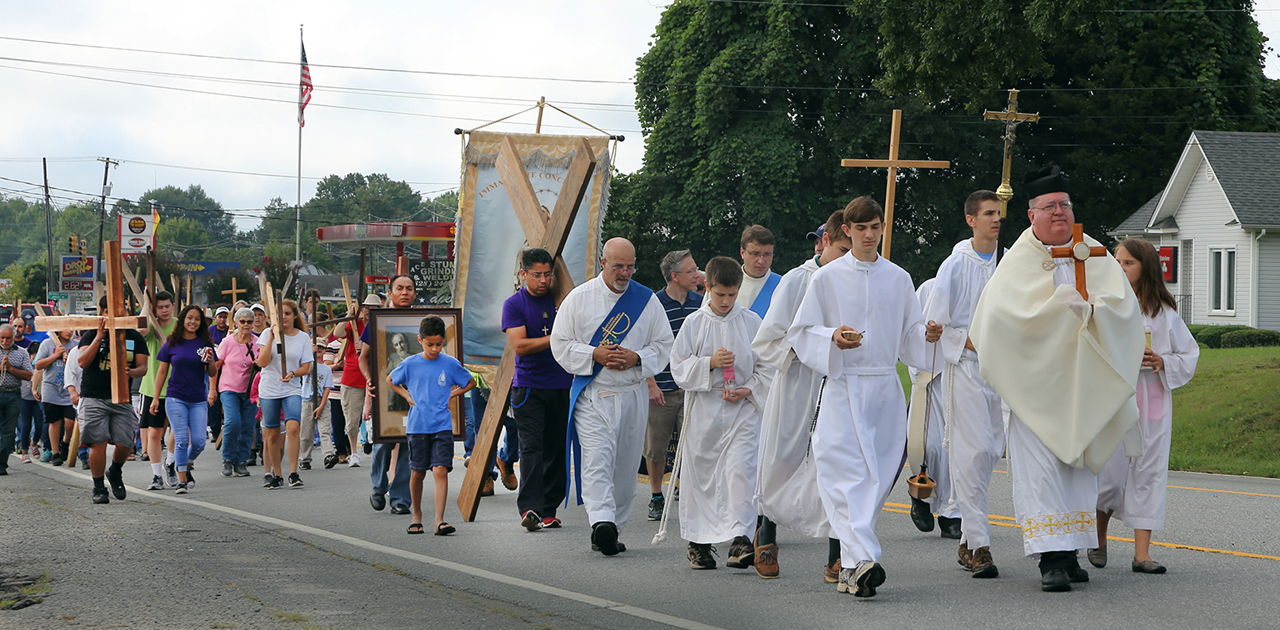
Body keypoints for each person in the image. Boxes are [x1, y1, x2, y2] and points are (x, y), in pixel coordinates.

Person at [970, 165, 1145, 592]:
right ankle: (1050, 558)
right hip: (1035, 390)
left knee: (1080, 471)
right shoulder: (1016, 263)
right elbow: (1000, 322)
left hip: (1082, 387)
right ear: (1032, 215)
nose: (1059, 213)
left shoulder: (1095, 253)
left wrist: (1091, 313)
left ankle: (1071, 552)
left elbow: (1125, 311)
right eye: (1049, 207)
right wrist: (1058, 313)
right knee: (1042, 473)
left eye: (1064, 205)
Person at [788, 197, 942, 598]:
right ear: (847, 232)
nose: (869, 235)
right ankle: (864, 557)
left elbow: (909, 336)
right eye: (861, 229)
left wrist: (927, 337)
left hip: (884, 390)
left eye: (875, 227)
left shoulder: (899, 278)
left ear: (883, 226)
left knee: (874, 479)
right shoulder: (827, 278)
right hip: (843, 384)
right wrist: (831, 338)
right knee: (841, 475)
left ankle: (853, 568)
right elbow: (802, 331)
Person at [550, 237, 674, 556]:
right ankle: (601, 521)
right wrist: (595, 353)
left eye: (630, 266)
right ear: (602, 262)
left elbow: (664, 345)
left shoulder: (646, 301)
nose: (625, 273)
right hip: (594, 394)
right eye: (618, 266)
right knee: (596, 459)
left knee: (626, 464)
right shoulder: (578, 299)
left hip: (632, 393)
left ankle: (613, 528)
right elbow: (560, 344)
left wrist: (637, 358)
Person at [752, 210, 850, 580]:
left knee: (836, 466)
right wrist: (810, 346)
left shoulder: (857, 279)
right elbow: (768, 339)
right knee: (784, 458)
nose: (848, 257)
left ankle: (836, 555)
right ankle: (767, 533)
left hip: (839, 383)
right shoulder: (798, 279)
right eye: (842, 249)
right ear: (824, 241)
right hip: (797, 380)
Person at [1092, 238, 1199, 574]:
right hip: (1115, 401)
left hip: (1151, 403)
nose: (1121, 269)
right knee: (1110, 474)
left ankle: (1142, 554)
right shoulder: (1107, 306)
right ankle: (1098, 539)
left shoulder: (1163, 314)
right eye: (1118, 262)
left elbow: (1189, 355)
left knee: (1148, 473)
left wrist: (1162, 360)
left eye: (1129, 263)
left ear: (1146, 268)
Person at [920, 190, 1007, 576]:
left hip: (1003, 371)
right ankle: (982, 544)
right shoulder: (955, 265)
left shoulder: (1009, 263)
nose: (996, 220)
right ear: (971, 219)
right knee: (970, 453)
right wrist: (961, 337)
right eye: (989, 213)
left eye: (1000, 214)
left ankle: (966, 541)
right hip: (968, 367)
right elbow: (935, 324)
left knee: (990, 451)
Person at [669, 256, 772, 570]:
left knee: (741, 471)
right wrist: (709, 363)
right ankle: (699, 542)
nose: (726, 301)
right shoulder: (695, 324)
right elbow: (678, 366)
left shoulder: (751, 321)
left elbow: (767, 367)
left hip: (742, 408)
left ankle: (741, 538)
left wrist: (748, 388)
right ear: (707, 288)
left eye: (732, 294)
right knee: (704, 476)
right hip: (706, 408)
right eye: (719, 295)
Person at [500, 248, 574, 530]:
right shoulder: (514, 304)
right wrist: (559, 338)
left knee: (557, 448)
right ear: (523, 274)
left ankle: (549, 509)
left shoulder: (562, 300)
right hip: (529, 387)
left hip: (562, 384)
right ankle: (529, 508)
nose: (543, 280)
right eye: (537, 275)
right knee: (532, 448)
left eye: (547, 274)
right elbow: (521, 346)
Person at [388, 315, 476, 536]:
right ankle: (416, 516)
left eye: (439, 344)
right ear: (420, 340)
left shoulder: (450, 363)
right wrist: (407, 396)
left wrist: (452, 395)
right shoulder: (409, 363)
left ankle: (439, 520)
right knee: (417, 472)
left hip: (442, 426)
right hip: (417, 427)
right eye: (430, 344)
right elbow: (391, 380)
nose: (435, 349)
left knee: (440, 470)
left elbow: (470, 382)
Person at [644, 249, 702, 522]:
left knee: (694, 444)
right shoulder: (653, 304)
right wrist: (651, 384)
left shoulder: (702, 302)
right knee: (656, 448)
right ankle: (656, 495)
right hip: (662, 388)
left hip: (691, 387)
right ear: (674, 276)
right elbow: (643, 346)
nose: (697, 274)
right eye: (691, 271)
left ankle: (689, 492)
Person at [77, 297, 149, 503]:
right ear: (103, 312)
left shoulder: (134, 336)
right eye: (109, 310)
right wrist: (99, 337)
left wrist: (132, 371)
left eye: (121, 310)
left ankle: (115, 471)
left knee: (126, 442)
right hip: (94, 395)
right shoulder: (90, 334)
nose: (116, 314)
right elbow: (82, 362)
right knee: (97, 442)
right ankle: (98, 487)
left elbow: (142, 367)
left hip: (121, 396)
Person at [905, 278, 960, 539]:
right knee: (929, 445)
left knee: (960, 449)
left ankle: (953, 513)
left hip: (967, 375)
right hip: (933, 373)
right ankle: (921, 494)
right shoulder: (930, 288)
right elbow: (912, 331)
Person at [361, 276, 418, 514]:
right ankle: (378, 486)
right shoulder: (377, 322)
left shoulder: (421, 322)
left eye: (409, 288)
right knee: (384, 443)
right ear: (391, 293)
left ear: (414, 293)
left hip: (414, 396)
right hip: (385, 395)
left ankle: (400, 499)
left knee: (409, 445)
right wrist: (369, 380)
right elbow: (363, 358)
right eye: (399, 288)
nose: (404, 292)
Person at [150, 305, 218, 494]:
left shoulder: (205, 344)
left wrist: (211, 360)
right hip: (175, 397)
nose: (193, 322)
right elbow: (162, 371)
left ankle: (185, 463)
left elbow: (212, 372)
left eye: (197, 319)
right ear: (182, 320)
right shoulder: (172, 343)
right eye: (189, 318)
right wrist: (156, 398)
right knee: (181, 439)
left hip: (197, 398)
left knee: (198, 442)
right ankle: (181, 481)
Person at [255, 298, 314, 489]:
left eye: (287, 313)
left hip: (291, 388)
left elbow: (306, 367)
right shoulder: (266, 334)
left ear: (295, 315)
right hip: (270, 389)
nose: (284, 318)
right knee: (272, 434)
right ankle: (276, 474)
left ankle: (294, 473)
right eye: (280, 314)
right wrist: (272, 336)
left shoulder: (303, 337)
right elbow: (262, 362)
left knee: (293, 428)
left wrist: (293, 373)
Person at [211, 307, 257, 478]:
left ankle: (241, 461)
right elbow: (214, 366)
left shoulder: (257, 342)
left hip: (249, 391)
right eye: (242, 321)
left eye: (249, 322)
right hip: (229, 388)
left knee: (247, 425)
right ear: (236, 323)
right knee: (233, 422)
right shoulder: (228, 342)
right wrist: (212, 390)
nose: (246, 325)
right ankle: (228, 459)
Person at [138, 290, 177, 488]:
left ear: (172, 306)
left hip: (177, 386)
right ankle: (156, 475)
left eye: (166, 306)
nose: (164, 310)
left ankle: (170, 462)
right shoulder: (151, 324)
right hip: (152, 387)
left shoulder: (179, 325)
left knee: (177, 431)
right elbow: (141, 329)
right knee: (154, 433)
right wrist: (146, 302)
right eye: (159, 307)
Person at [337, 294, 381, 468]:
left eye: (374, 308)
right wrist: (349, 314)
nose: (370, 311)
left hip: (374, 376)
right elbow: (337, 333)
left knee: (376, 417)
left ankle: (373, 442)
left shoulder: (380, 325)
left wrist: (365, 346)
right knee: (352, 418)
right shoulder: (355, 324)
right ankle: (353, 452)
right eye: (367, 308)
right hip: (353, 377)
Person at [34, 329, 76, 468]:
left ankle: (65, 442)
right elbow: (38, 365)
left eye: (72, 329)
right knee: (54, 422)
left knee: (70, 421)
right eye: (66, 329)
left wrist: (69, 359)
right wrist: (56, 355)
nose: (69, 332)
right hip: (51, 387)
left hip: (69, 388)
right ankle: (55, 452)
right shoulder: (47, 343)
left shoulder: (76, 345)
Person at [0, 323, 34, 475]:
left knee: (8, 432)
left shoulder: (21, 353)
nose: (5, 341)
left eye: (8, 338)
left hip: (13, 394)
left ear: (14, 337)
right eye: (2, 338)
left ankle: (1, 464)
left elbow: (28, 374)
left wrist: (11, 369)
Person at [299, 343, 334, 471]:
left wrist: (321, 405)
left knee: (325, 429)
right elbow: (303, 369)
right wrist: (309, 353)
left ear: (325, 350)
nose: (318, 349)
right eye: (316, 347)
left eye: (321, 347)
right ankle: (304, 458)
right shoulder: (308, 364)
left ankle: (328, 455)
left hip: (321, 400)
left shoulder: (326, 369)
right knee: (306, 431)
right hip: (307, 400)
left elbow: (327, 388)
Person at [736, 225, 782, 317]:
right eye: (755, 254)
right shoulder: (724, 282)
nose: (761, 261)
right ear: (742, 253)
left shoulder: (782, 285)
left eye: (767, 254)